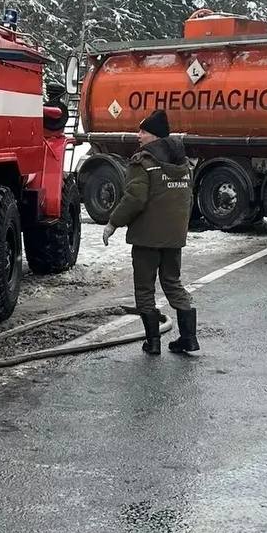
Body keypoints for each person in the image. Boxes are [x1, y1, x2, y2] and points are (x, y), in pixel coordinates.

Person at [102, 109, 201, 356]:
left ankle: (153, 342)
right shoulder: (182, 165)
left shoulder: (143, 163)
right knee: (173, 282)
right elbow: (187, 201)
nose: (138, 136)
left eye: (143, 131)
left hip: (147, 238)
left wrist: (113, 223)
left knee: (145, 289)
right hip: (173, 238)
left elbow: (134, 198)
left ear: (154, 136)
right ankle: (188, 339)